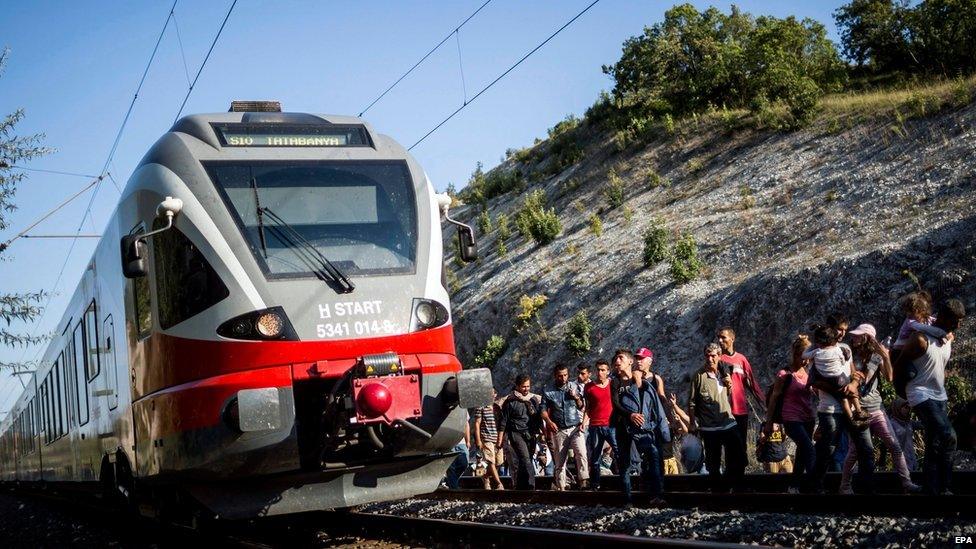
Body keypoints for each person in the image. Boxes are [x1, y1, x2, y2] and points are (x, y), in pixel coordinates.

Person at [892, 298, 966, 495]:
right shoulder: (919, 339)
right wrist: (904, 393)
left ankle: (931, 490)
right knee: (948, 436)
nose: (958, 326)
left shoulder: (947, 337)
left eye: (960, 321)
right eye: (954, 321)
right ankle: (945, 488)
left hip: (939, 395)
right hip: (920, 394)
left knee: (934, 442)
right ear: (942, 317)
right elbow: (898, 367)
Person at [839, 323, 921, 494]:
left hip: (876, 408)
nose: (853, 338)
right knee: (854, 451)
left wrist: (885, 355)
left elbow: (889, 377)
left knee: (894, 446)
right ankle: (844, 485)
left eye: (858, 335)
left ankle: (906, 483)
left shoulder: (875, 356)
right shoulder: (849, 356)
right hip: (858, 409)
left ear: (867, 337)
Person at [689, 343, 745, 492]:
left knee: (738, 456)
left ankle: (735, 487)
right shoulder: (699, 376)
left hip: (728, 423)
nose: (710, 358)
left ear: (719, 356)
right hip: (710, 427)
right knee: (713, 463)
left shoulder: (725, 371)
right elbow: (692, 402)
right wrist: (692, 423)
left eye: (713, 355)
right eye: (707, 355)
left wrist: (729, 383)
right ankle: (718, 493)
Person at [765, 335, 816, 492]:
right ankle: (815, 484)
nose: (806, 360)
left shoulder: (809, 374)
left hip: (808, 418)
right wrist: (769, 422)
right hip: (791, 418)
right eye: (804, 357)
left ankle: (795, 485)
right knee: (808, 448)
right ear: (796, 354)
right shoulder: (784, 374)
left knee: (801, 452)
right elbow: (774, 399)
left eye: (809, 357)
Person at [804, 325, 870, 428]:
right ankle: (859, 410)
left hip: (826, 379)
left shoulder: (817, 352)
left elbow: (805, 355)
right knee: (851, 391)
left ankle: (852, 418)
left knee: (843, 399)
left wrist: (813, 346)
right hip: (839, 378)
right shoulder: (838, 349)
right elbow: (843, 360)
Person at [619, 366, 668, 502]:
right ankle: (630, 499)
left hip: (650, 430)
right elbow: (622, 406)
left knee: (654, 462)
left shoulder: (652, 384)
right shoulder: (622, 386)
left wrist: (660, 426)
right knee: (630, 464)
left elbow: (657, 407)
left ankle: (656, 494)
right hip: (630, 432)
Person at [716, 327, 763, 460]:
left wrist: (765, 405)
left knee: (741, 447)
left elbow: (752, 384)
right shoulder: (717, 359)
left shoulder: (741, 359)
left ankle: (740, 476)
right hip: (724, 411)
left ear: (732, 338)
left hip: (740, 410)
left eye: (723, 337)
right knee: (728, 447)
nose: (720, 340)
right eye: (718, 337)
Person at [541, 364, 590, 490]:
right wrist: (549, 421)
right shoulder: (548, 390)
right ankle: (561, 486)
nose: (563, 378)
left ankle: (584, 481)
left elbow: (581, 406)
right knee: (560, 461)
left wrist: (576, 397)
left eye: (565, 375)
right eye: (560, 376)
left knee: (581, 453)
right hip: (559, 430)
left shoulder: (573, 386)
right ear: (555, 376)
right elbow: (543, 410)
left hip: (575, 426)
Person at [497, 374, 543, 490]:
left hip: (530, 433)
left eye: (528, 386)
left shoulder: (533, 400)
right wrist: (500, 440)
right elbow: (503, 422)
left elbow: (538, 418)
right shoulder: (510, 401)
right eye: (523, 387)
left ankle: (521, 486)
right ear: (517, 386)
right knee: (525, 459)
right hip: (516, 433)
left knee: (525, 459)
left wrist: (543, 432)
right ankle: (532, 486)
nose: (526, 389)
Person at [584, 359, 617, 490]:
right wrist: (584, 421)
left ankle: (624, 480)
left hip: (611, 424)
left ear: (608, 371)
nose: (600, 372)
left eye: (603, 370)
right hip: (595, 425)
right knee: (595, 456)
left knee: (618, 452)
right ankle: (595, 484)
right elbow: (588, 406)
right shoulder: (589, 387)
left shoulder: (613, 384)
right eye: (598, 369)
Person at [610, 349, 641, 476]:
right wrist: (630, 415)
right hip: (622, 425)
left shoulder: (637, 378)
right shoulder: (615, 382)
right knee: (626, 459)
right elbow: (616, 404)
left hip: (640, 423)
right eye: (616, 358)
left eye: (621, 358)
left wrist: (638, 380)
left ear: (630, 361)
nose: (617, 361)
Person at [473, 388, 505, 490]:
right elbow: (477, 424)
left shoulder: (497, 408)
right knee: (491, 461)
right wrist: (478, 440)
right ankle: (499, 483)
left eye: (493, 394)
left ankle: (485, 476)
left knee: (499, 462)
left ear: (495, 395)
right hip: (486, 437)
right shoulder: (480, 407)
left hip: (497, 438)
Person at [444, 417, 470, 489]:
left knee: (464, 463)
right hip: (448, 442)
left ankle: (451, 481)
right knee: (451, 466)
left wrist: (468, 441)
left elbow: (466, 424)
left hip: (461, 441)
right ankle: (454, 487)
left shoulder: (462, 408)